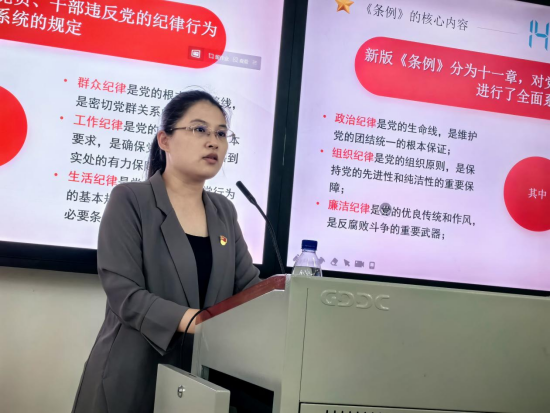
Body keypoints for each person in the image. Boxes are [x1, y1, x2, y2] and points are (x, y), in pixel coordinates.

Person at [72, 90, 262, 413]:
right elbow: (124, 293)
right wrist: (197, 321)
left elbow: (249, 289)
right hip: (133, 375)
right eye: (200, 129)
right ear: (165, 140)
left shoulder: (224, 211)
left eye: (221, 133)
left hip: (201, 380)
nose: (213, 142)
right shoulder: (131, 199)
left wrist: (288, 295)